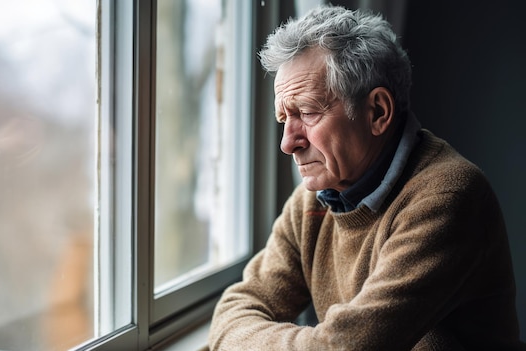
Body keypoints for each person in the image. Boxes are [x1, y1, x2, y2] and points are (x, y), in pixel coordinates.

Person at [208, 5, 525, 350]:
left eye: (308, 112)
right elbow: (232, 314)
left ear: (378, 112)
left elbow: (345, 347)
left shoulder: (447, 197)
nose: (287, 143)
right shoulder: (313, 202)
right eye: (284, 118)